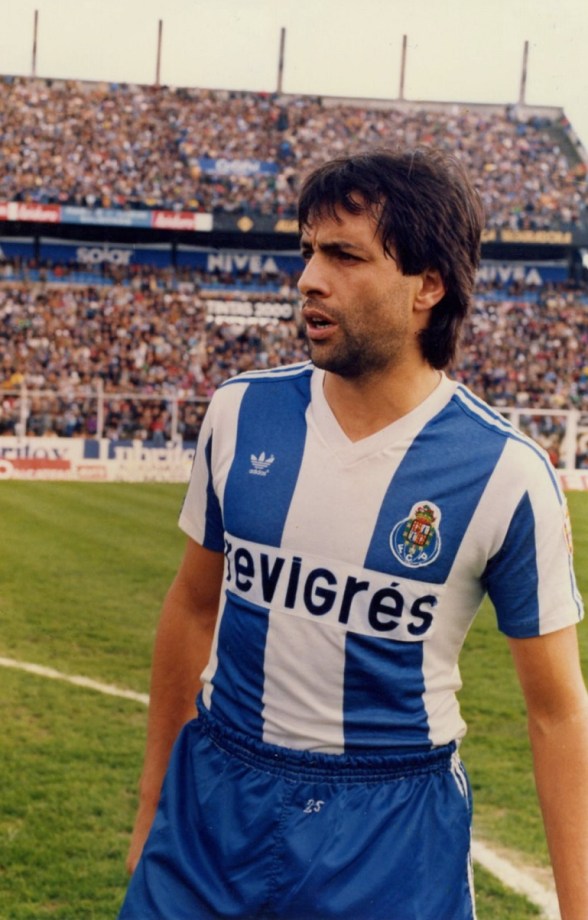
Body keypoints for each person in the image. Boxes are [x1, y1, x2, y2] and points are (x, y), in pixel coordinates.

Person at [118, 148, 587, 920]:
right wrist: (152, 808)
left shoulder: (506, 473)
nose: (308, 278)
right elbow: (194, 607)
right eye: (308, 251)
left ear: (428, 286)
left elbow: (558, 710)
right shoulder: (240, 413)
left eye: (344, 255)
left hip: (390, 831)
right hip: (213, 805)